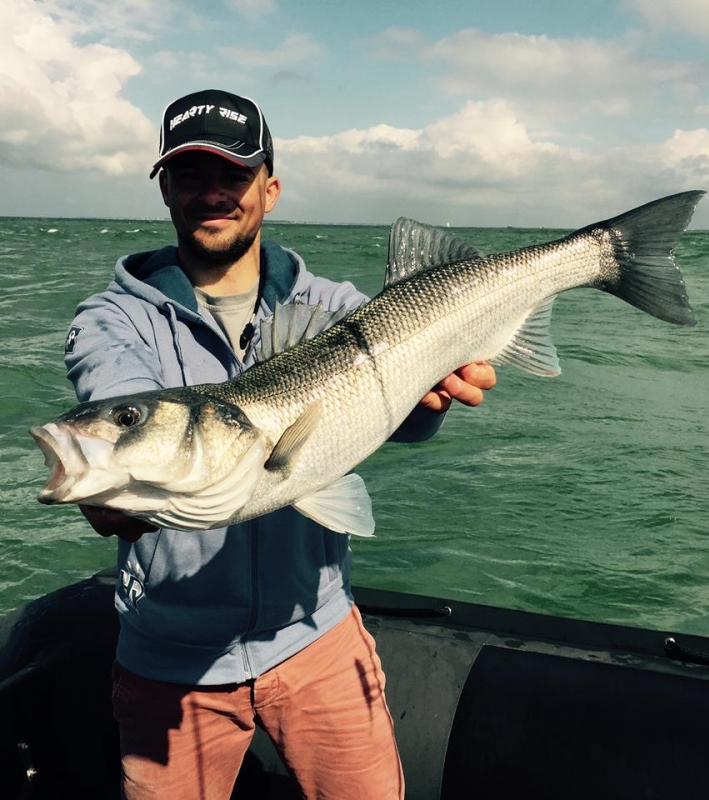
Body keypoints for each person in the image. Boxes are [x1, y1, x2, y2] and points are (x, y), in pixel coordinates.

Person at [65, 89, 496, 800]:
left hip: (317, 633)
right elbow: (119, 411)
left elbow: (403, 421)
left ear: (269, 187)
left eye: (232, 175)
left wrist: (437, 394)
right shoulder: (112, 321)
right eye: (190, 175)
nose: (212, 194)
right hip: (172, 660)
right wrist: (116, 482)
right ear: (164, 186)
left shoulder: (336, 309)